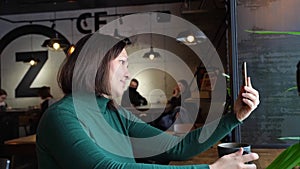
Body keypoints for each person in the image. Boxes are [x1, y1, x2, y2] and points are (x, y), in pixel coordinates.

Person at [36, 33, 260, 169]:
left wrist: (235, 116)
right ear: (96, 64)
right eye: (122, 62)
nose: (128, 71)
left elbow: (178, 147)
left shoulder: (114, 112)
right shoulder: (61, 117)